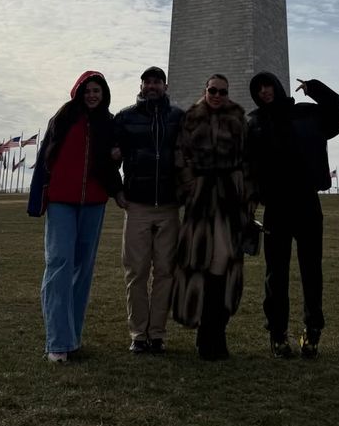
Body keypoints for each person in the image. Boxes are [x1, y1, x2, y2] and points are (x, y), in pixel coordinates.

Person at [247, 72, 339, 359]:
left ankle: (313, 331)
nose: (264, 91)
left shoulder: (306, 113)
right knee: (275, 274)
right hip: (276, 207)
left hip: (307, 202)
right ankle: (277, 334)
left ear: (277, 86)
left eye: (267, 85)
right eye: (258, 89)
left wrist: (315, 88)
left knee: (311, 270)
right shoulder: (253, 122)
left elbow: (337, 115)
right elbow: (249, 164)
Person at [27, 70, 124, 363]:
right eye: (88, 90)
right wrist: (36, 199)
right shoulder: (63, 119)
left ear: (103, 94)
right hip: (61, 202)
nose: (92, 95)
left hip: (93, 202)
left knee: (83, 270)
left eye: (97, 91)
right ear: (78, 92)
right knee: (59, 265)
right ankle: (57, 341)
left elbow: (110, 166)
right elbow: (45, 158)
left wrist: (118, 185)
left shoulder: (109, 123)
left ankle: (72, 337)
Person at [172, 74, 254, 360]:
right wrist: (188, 185)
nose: (217, 95)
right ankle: (205, 335)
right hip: (201, 200)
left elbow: (248, 159)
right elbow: (180, 155)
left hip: (230, 199)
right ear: (204, 90)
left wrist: (246, 192)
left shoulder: (238, 120)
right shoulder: (191, 118)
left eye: (222, 91)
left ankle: (216, 334)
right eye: (212, 90)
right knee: (200, 264)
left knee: (223, 265)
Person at [113, 65, 185, 355]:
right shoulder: (125, 117)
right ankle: (138, 334)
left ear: (165, 86)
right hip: (138, 205)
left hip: (169, 206)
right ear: (141, 86)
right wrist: (116, 189)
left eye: (157, 82)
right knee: (136, 272)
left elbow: (190, 154)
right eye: (147, 82)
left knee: (166, 272)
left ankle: (157, 334)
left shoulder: (179, 118)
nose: (152, 86)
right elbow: (110, 158)